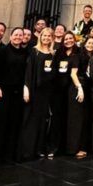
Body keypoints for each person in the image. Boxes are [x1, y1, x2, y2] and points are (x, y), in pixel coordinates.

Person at [0, 28, 27, 162]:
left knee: (14, 123)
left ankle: (9, 154)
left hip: (18, 93)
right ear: (11, 36)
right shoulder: (2, 51)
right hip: (3, 91)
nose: (18, 37)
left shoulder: (25, 53)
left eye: (20, 35)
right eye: (16, 34)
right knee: (0, 123)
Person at [20, 27, 56, 159]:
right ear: (40, 37)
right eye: (44, 36)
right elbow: (28, 72)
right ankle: (28, 150)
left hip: (46, 93)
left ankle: (39, 149)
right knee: (31, 120)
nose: (46, 38)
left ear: (52, 38)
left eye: (49, 36)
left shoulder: (53, 54)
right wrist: (26, 88)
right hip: (34, 90)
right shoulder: (34, 52)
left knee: (42, 121)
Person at [50, 32, 78, 155]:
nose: (68, 41)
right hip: (58, 90)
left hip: (71, 89)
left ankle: (66, 147)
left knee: (69, 118)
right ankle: (54, 147)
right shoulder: (58, 54)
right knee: (57, 118)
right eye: (66, 39)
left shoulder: (78, 53)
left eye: (70, 38)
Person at [65, 35, 90, 158]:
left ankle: (77, 147)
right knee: (75, 119)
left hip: (84, 87)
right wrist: (79, 88)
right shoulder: (77, 56)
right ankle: (73, 148)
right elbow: (73, 74)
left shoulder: (85, 55)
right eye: (88, 43)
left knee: (81, 118)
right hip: (77, 87)